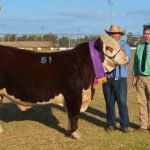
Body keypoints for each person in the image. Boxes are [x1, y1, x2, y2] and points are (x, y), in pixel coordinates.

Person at [102, 25, 131, 133]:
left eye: (114, 33)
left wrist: (123, 57)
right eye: (111, 33)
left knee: (122, 102)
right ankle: (110, 124)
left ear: (120, 35)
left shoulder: (125, 46)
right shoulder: (106, 47)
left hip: (121, 78)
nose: (112, 35)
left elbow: (127, 59)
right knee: (109, 103)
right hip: (108, 78)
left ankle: (125, 125)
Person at [132, 24, 150, 132]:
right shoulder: (139, 46)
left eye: (149, 34)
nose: (147, 36)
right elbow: (135, 63)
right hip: (140, 78)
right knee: (142, 102)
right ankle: (143, 126)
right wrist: (134, 76)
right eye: (145, 34)